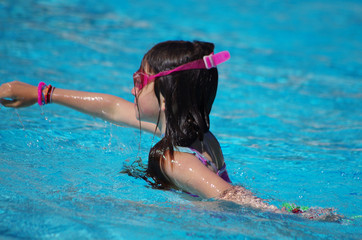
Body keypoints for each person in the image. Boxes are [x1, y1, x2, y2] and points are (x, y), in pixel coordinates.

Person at [0, 40, 341, 221]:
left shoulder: (176, 159)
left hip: (198, 223)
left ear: (166, 96)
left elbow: (227, 197)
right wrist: (43, 93)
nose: (132, 88)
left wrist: (289, 215)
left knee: (80, 203)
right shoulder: (200, 137)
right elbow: (110, 107)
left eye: (140, 80)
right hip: (206, 210)